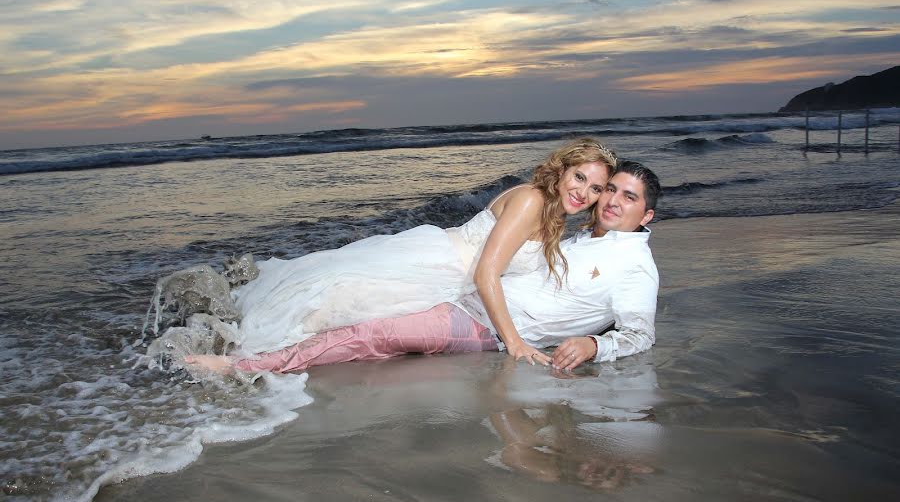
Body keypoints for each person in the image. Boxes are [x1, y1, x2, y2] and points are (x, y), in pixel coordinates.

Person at [185, 160, 660, 375]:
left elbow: (640, 334)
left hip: (481, 319)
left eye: (624, 196)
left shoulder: (635, 266)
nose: (608, 200)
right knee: (340, 298)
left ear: (648, 214)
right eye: (605, 189)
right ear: (566, 174)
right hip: (454, 284)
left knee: (374, 332)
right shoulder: (571, 229)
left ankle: (241, 364)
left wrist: (594, 344)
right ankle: (246, 336)